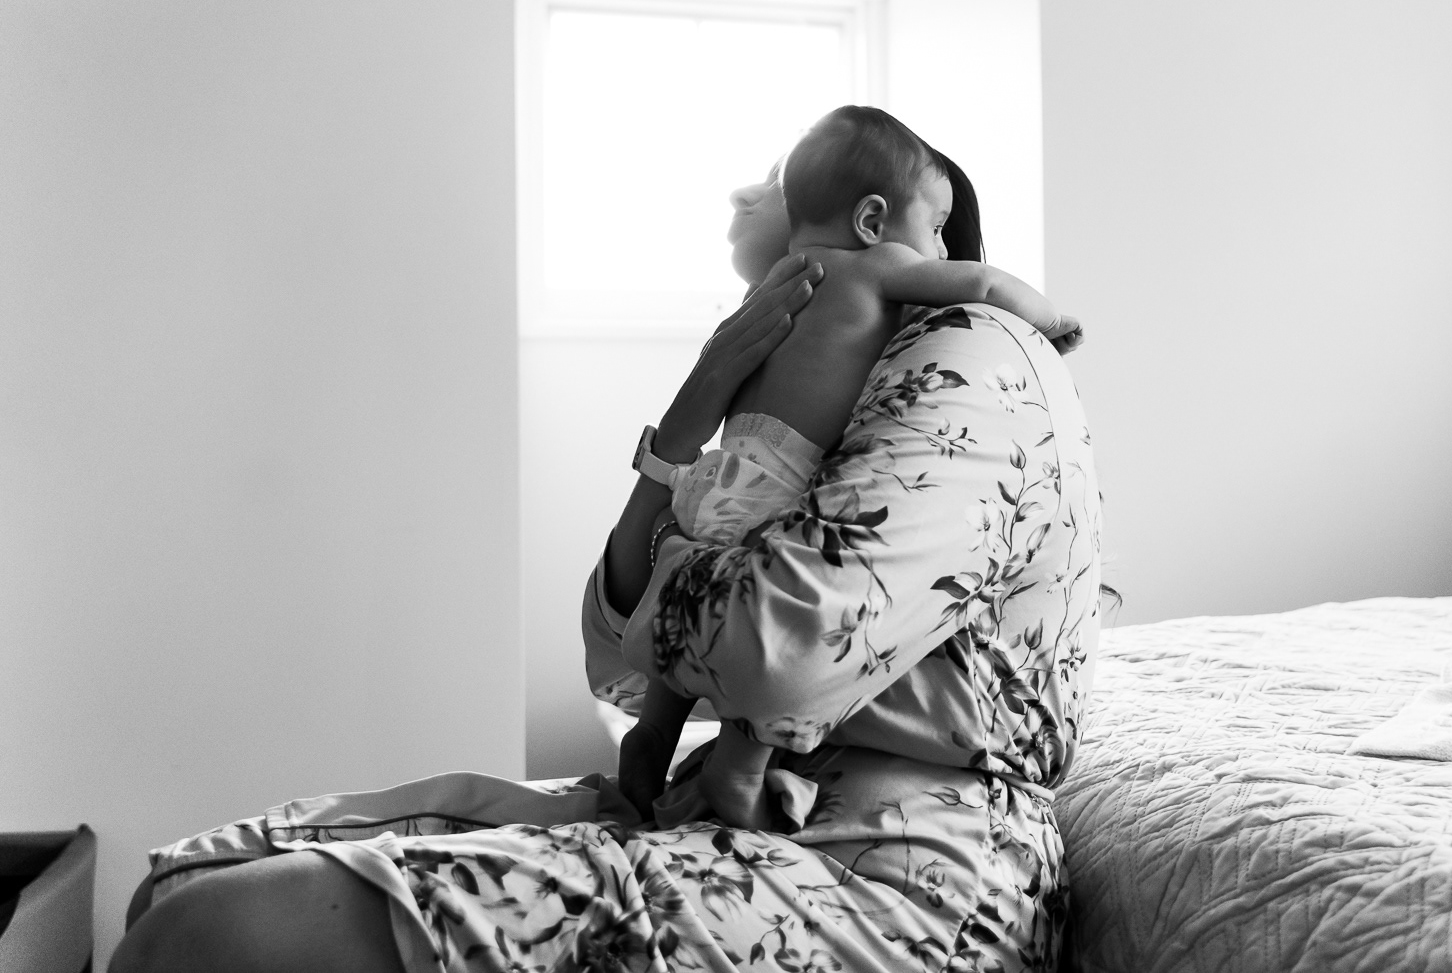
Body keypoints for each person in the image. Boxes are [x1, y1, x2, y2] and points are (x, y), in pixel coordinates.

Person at [112, 147, 1103, 973]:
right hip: (737, 808)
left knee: (206, 935)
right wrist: (690, 410)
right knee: (185, 886)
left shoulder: (971, 347)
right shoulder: (777, 378)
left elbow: (780, 647)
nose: (742, 191)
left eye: (769, 174)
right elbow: (615, 655)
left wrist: (682, 589)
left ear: (873, 219)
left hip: (900, 873)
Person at [620, 107, 1083, 826]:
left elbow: (624, 607)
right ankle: (740, 760)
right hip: (785, 485)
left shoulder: (765, 300)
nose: (936, 246)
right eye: (932, 227)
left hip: (720, 474)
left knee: (695, 603)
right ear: (872, 220)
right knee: (767, 627)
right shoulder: (880, 268)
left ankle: (653, 732)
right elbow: (988, 286)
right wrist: (1053, 323)